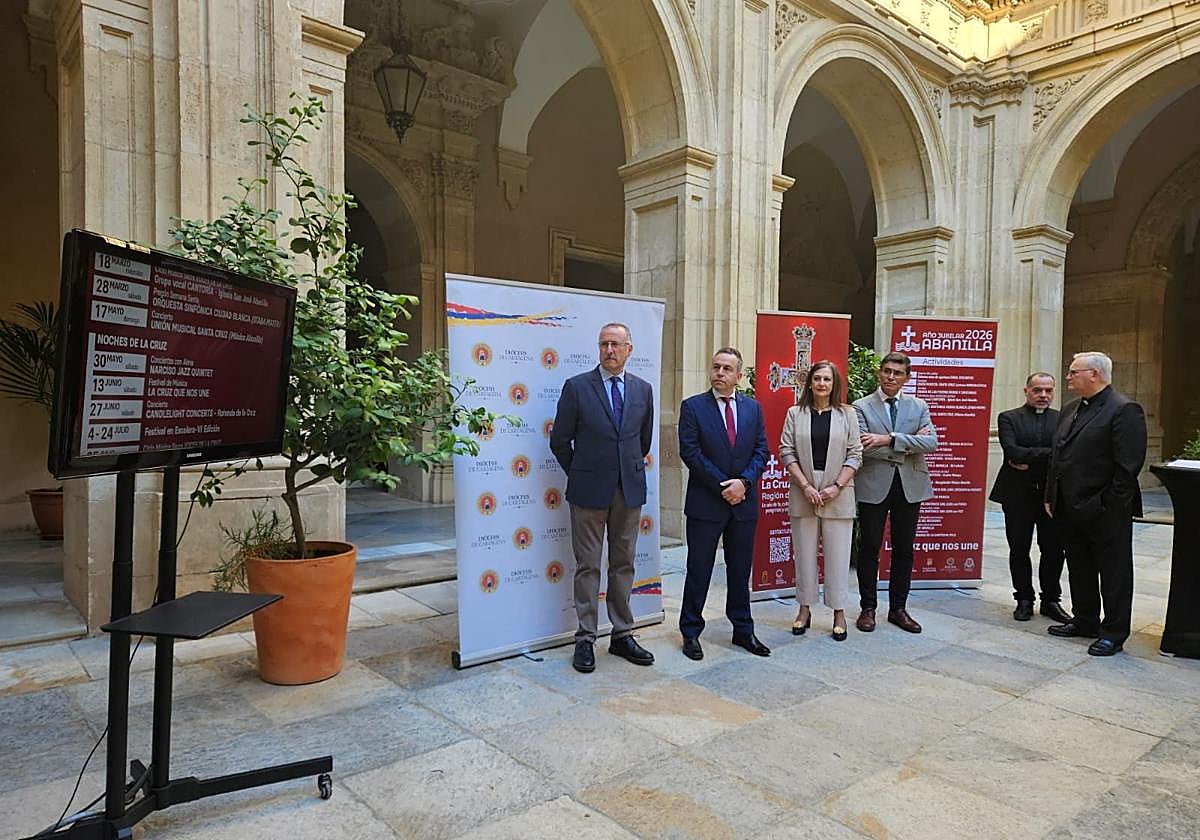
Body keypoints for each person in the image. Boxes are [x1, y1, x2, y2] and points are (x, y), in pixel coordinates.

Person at [550, 323, 656, 673]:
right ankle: (585, 639)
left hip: (629, 490)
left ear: (629, 349)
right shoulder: (578, 387)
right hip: (588, 493)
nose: (609, 350)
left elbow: (642, 442)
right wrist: (582, 473)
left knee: (623, 563)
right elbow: (560, 441)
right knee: (588, 566)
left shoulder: (643, 390)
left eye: (616, 344)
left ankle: (623, 634)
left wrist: (621, 471)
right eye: (604, 344)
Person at [1045, 351, 1147, 656]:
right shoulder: (1070, 408)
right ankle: (1085, 619)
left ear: (1095, 374)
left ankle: (1113, 633)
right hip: (1069, 506)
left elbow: (1127, 467)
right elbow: (1057, 457)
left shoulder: (1124, 410)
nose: (1068, 377)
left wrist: (1106, 504)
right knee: (1079, 567)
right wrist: (1051, 495)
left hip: (1105, 510)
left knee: (1114, 573)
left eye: (1074, 372)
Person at [677, 347, 771, 660]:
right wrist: (724, 486)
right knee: (699, 569)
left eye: (727, 368)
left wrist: (743, 483)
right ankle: (691, 632)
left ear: (739, 376)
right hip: (707, 504)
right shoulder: (692, 407)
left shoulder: (753, 409)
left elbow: (762, 451)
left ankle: (743, 630)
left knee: (740, 570)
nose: (719, 373)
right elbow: (690, 453)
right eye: (716, 366)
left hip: (743, 504)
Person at [853, 352, 938, 634]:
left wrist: (888, 439)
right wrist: (908, 445)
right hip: (873, 485)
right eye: (887, 371)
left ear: (907, 378)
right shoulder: (860, 407)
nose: (891, 377)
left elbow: (931, 442)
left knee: (904, 549)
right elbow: (864, 446)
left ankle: (898, 609)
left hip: (909, 486)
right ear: (880, 373)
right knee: (869, 548)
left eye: (897, 373)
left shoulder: (919, 406)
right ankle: (868, 608)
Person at [779, 361, 862, 640]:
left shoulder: (847, 414)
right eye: (817, 378)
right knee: (804, 554)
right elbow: (786, 450)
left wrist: (836, 486)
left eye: (827, 379)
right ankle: (804, 608)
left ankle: (839, 611)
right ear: (810, 382)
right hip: (804, 490)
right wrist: (804, 485)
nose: (822, 384)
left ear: (834, 383)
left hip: (838, 490)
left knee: (838, 556)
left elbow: (855, 453)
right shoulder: (795, 413)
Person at [989, 373, 1071, 623]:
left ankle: (1051, 600)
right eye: (1037, 390)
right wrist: (1049, 456)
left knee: (1054, 550)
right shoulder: (1009, 418)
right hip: (1017, 496)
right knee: (1019, 548)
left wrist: (1028, 459)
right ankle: (1024, 599)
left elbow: (1066, 453)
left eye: (1048, 391)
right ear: (1026, 391)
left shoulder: (1063, 419)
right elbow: (1012, 451)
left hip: (1051, 496)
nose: (1043, 396)